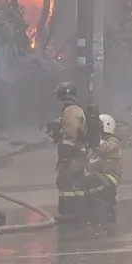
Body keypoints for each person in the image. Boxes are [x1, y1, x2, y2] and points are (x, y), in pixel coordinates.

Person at [53, 81, 89, 222]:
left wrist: (65, 154)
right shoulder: (75, 109)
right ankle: (77, 212)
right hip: (78, 153)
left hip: (72, 153)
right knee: (76, 183)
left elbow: (70, 133)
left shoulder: (70, 110)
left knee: (66, 182)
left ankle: (69, 213)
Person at [84, 113, 122, 223]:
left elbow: (104, 148)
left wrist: (94, 143)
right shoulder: (99, 141)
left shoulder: (113, 140)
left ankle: (104, 207)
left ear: (107, 126)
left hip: (110, 176)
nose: (97, 130)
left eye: (99, 127)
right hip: (100, 176)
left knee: (91, 182)